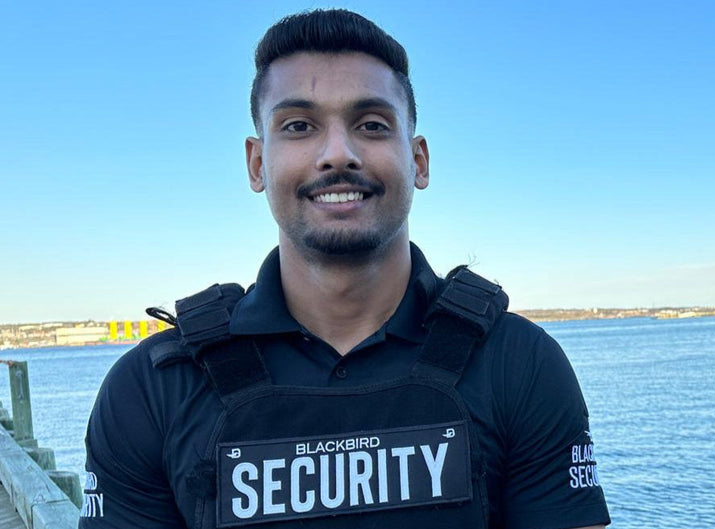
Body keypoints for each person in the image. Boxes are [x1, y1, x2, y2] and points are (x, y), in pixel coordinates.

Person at [79, 9, 609, 529]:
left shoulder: (519, 364)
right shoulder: (153, 389)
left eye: (372, 125)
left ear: (418, 160)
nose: (338, 153)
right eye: (299, 126)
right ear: (257, 163)